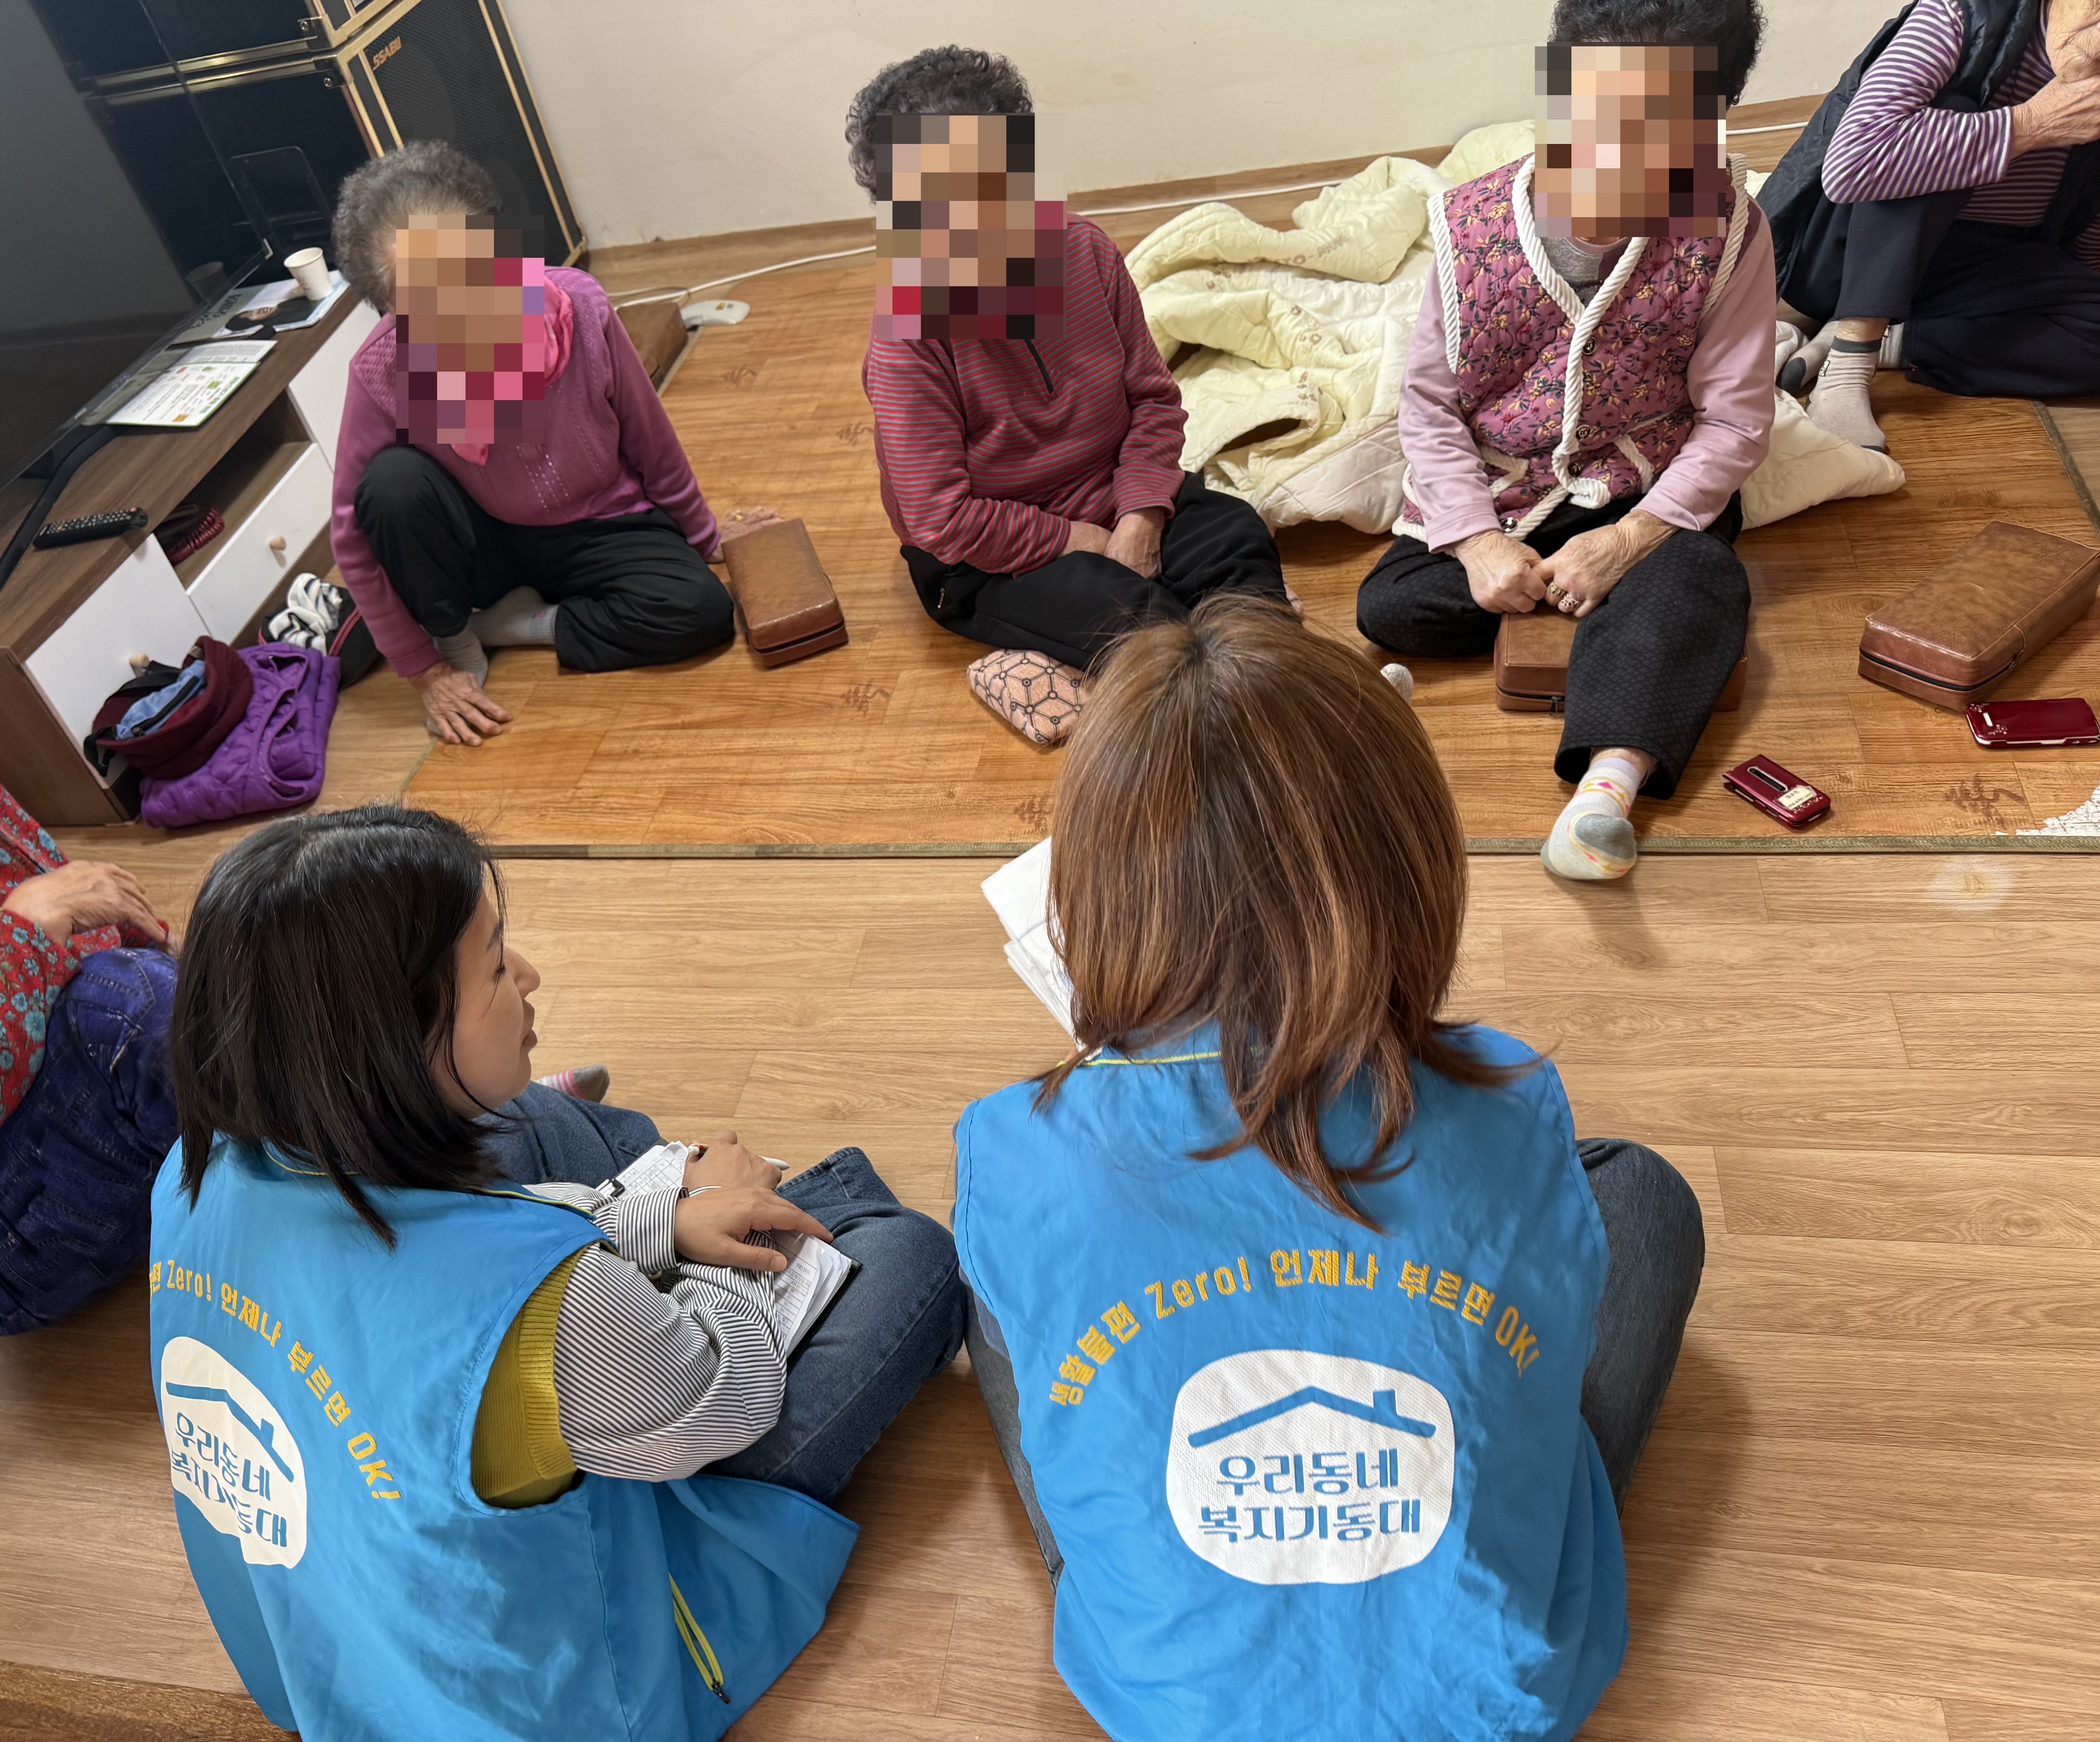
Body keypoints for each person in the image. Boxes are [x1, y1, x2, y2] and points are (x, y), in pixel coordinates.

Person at [957, 599, 1704, 1740]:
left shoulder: (1012, 1138)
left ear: (1093, 890)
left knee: (1004, 1263)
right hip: (1491, 1701)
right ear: (1410, 867)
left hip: (1167, 1701)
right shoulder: (1511, 1095)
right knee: (1639, 1192)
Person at [151, 806, 966, 1737]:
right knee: (909, 1256)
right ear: (396, 1041)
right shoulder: (545, 1302)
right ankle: (775, 1191)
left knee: (523, 1118)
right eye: (496, 967)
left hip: (329, 1656)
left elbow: (462, 1252)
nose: (530, 973)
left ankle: (673, 1175)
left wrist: (659, 1218)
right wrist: (717, 1226)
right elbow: (726, 1394)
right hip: (568, 1676)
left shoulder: (189, 1174)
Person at [1358, 0, 1774, 882]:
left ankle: (1605, 789)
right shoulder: (1469, 224)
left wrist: (1627, 542)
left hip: (1644, 487)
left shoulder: (1728, 228)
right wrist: (1477, 543)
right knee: (1389, 609)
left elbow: (1736, 419)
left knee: (1700, 573)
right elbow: (1428, 408)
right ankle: (1615, 633)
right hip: (1509, 493)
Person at [851, 46, 1290, 743]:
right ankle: (1253, 732)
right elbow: (941, 519)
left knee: (1236, 539)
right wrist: (1079, 540)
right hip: (993, 554)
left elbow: (1153, 401)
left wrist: (1141, 514)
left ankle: (1275, 695)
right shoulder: (907, 334)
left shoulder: (1084, 252)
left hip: (1117, 496)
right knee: (1145, 630)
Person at [327, 143, 774, 745]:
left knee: (702, 611)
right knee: (392, 483)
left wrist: (705, 535)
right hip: (486, 544)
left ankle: (518, 625)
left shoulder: (580, 306)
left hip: (603, 523)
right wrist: (423, 670)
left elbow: (650, 437)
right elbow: (352, 535)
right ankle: (457, 636)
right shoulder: (381, 370)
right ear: (392, 311)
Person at [1764, 0, 2100, 453]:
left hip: (1984, 262)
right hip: (1853, 254)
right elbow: (1853, 164)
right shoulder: (1960, 14)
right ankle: (1848, 363)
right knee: (1949, 109)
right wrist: (2031, 125)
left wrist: (2076, 301)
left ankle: (1895, 343)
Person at [0, 766, 176, 1335]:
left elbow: (35, 882)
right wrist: (29, 924)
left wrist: (154, 941)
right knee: (136, 1014)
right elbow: (38, 906)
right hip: (0, 1251)